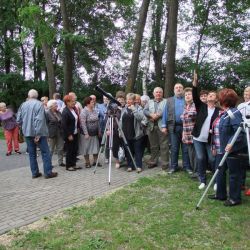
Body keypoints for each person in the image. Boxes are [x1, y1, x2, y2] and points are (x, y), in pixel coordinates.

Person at [209, 88, 247, 206]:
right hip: (222, 149)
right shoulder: (224, 113)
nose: (217, 100)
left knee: (234, 175)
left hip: (233, 150)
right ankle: (220, 194)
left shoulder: (234, 113)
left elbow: (239, 132)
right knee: (219, 171)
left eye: (219, 98)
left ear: (224, 100)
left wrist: (231, 144)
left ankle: (234, 199)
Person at [17, 89, 58, 179]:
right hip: (39, 133)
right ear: (37, 96)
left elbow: (18, 119)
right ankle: (48, 172)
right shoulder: (39, 104)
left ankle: (35, 173)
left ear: (29, 95)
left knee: (32, 154)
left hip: (27, 133)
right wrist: (38, 134)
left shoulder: (23, 105)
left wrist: (23, 128)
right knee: (45, 153)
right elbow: (39, 120)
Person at [192, 72, 220, 189]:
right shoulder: (201, 106)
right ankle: (202, 180)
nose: (210, 96)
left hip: (210, 140)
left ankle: (216, 181)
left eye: (212, 95)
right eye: (209, 95)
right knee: (200, 158)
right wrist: (194, 83)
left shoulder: (219, 111)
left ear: (216, 99)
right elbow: (194, 95)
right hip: (198, 138)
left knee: (213, 159)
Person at [162, 83, 192, 174]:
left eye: (180, 88)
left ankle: (187, 167)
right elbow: (165, 113)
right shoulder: (169, 100)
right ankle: (173, 167)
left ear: (183, 90)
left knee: (185, 148)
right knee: (174, 148)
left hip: (186, 127)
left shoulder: (187, 99)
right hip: (173, 127)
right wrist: (163, 126)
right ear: (174, 90)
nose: (178, 89)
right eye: (176, 88)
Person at [143, 87, 169, 170]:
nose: (158, 94)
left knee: (164, 145)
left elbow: (167, 111)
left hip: (162, 126)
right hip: (151, 127)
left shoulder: (166, 101)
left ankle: (165, 164)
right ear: (154, 94)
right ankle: (153, 161)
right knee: (153, 146)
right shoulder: (149, 102)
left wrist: (157, 115)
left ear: (162, 93)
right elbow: (145, 111)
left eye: (160, 92)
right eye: (156, 92)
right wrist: (151, 115)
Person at [120, 93, 145, 172]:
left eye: (130, 99)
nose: (128, 101)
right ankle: (130, 165)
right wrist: (119, 131)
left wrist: (134, 109)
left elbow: (140, 117)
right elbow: (121, 120)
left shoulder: (139, 108)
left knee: (138, 151)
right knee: (128, 150)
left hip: (136, 133)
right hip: (126, 133)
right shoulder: (124, 109)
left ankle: (138, 166)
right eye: (127, 99)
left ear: (134, 100)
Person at [180, 87, 197, 177]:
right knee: (191, 154)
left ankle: (197, 172)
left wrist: (184, 116)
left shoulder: (195, 105)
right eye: (185, 95)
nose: (187, 96)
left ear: (193, 95)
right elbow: (184, 122)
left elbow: (192, 115)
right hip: (187, 134)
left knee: (196, 154)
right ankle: (195, 171)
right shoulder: (185, 106)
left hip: (195, 134)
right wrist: (183, 134)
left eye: (189, 94)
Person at [79, 97, 101, 168]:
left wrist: (99, 130)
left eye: (93, 102)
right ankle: (87, 162)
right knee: (86, 148)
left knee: (96, 147)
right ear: (87, 103)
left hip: (94, 133)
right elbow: (83, 123)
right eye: (92, 102)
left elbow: (97, 121)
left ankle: (95, 161)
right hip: (86, 134)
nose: (93, 103)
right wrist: (86, 133)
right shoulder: (84, 111)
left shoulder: (94, 110)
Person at [61, 94, 81, 171]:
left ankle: (73, 164)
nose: (74, 102)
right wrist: (69, 135)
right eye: (72, 101)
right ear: (67, 102)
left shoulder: (73, 109)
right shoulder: (65, 112)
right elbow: (64, 125)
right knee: (69, 150)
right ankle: (68, 166)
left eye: (74, 101)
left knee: (74, 149)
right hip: (69, 134)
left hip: (75, 133)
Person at [45, 100, 65, 167]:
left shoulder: (58, 112)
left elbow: (61, 121)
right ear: (50, 106)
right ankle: (49, 163)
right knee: (51, 149)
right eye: (55, 104)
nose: (57, 105)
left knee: (60, 148)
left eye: (56, 104)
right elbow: (45, 124)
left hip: (60, 132)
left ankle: (60, 162)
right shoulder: (47, 113)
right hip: (51, 133)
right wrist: (47, 134)